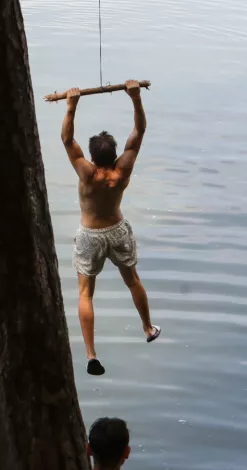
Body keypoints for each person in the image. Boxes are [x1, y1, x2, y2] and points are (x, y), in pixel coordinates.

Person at [62, 79, 160, 377]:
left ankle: (91, 354)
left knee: (85, 294)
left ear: (92, 156)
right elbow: (139, 132)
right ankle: (147, 327)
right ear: (114, 152)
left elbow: (67, 141)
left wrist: (71, 105)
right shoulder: (122, 169)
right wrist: (135, 98)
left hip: (90, 235)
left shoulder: (87, 172)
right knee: (132, 280)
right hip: (117, 230)